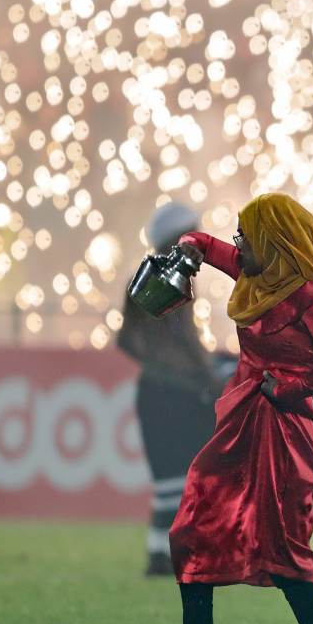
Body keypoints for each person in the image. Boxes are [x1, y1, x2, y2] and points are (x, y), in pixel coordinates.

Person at [148, 193, 313, 624]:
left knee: (285, 548)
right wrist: (188, 250)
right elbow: (204, 243)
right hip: (242, 420)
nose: (239, 243)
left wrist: (285, 390)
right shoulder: (253, 274)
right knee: (193, 521)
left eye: (248, 234)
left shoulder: (312, 298)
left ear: (273, 241)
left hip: (284, 432)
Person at [117, 203, 223, 577]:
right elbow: (183, 335)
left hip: (152, 388)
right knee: (189, 473)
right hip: (175, 394)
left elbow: (125, 338)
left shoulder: (142, 274)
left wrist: (157, 364)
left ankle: (159, 553)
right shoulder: (176, 274)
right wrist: (204, 371)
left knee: (168, 479)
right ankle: (180, 553)